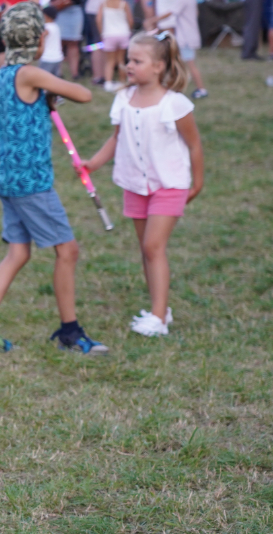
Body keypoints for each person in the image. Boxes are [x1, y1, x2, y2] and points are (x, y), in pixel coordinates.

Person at [0, 1, 106, 355]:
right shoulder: (30, 74)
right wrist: (52, 90)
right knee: (67, 251)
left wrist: (46, 99)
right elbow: (85, 94)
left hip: (9, 179)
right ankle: (70, 332)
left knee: (17, 253)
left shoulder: (3, 74)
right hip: (31, 183)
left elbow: (24, 107)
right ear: (40, 39)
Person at [84, 32, 203, 338]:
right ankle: (159, 308)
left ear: (159, 66)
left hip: (169, 183)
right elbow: (116, 138)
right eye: (128, 60)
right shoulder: (123, 99)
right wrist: (93, 163)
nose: (129, 66)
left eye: (137, 61)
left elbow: (194, 146)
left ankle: (159, 318)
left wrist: (197, 183)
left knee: (153, 246)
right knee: (146, 249)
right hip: (134, 184)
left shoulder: (175, 104)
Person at [98, 0, 133, 90]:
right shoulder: (124, 4)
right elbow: (130, 20)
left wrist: (102, 32)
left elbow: (98, 19)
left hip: (109, 34)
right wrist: (129, 29)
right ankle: (123, 82)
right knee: (121, 59)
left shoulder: (103, 4)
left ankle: (108, 83)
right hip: (123, 34)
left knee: (109, 60)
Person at [39, 6, 64, 76]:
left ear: (46, 16)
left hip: (47, 58)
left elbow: (42, 35)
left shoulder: (46, 27)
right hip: (58, 57)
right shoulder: (56, 26)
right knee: (55, 79)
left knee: (43, 79)